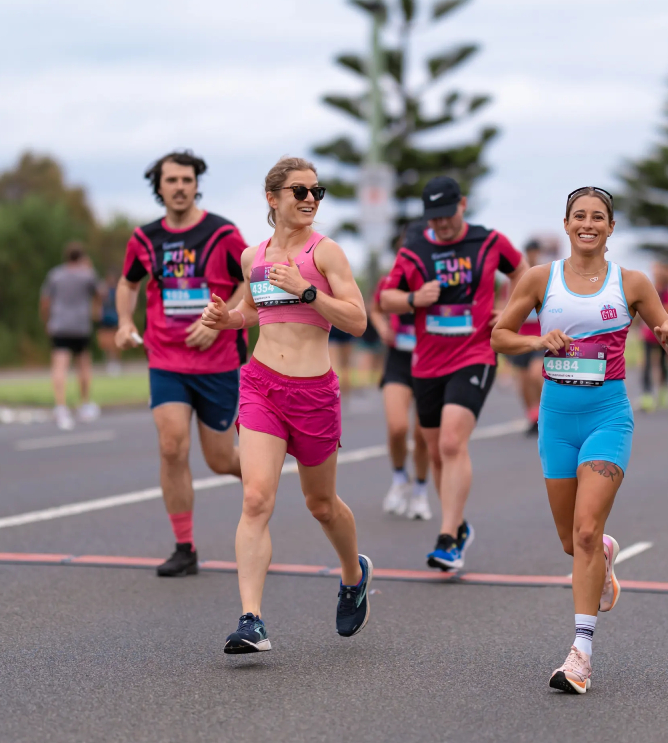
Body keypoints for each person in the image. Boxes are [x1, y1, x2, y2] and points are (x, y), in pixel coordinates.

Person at [492, 185, 668, 695]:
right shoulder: (542, 279)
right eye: (579, 215)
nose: (588, 223)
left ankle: (580, 654)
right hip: (556, 419)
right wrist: (538, 339)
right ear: (566, 224)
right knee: (571, 540)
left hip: (608, 415)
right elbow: (499, 335)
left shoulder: (633, 283)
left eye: (598, 216)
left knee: (581, 531)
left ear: (611, 227)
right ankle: (603, 553)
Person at [200, 156, 372, 654]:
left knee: (320, 504)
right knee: (256, 498)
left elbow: (358, 321)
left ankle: (351, 573)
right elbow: (254, 312)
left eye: (317, 192)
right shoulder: (253, 257)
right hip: (261, 386)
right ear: (272, 198)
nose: (310, 201)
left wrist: (309, 290)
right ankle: (251, 619)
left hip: (314, 393)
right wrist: (226, 318)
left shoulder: (327, 254)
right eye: (300, 192)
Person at [379, 176, 528, 571]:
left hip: (475, 353)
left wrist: (511, 310)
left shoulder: (490, 241)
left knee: (450, 442)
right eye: (434, 218)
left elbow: (522, 272)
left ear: (462, 205)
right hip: (427, 363)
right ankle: (458, 526)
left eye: (447, 215)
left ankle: (447, 540)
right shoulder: (414, 250)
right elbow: (385, 298)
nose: (441, 225)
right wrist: (414, 298)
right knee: (436, 453)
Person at [115, 150, 247, 577]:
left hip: (219, 362)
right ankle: (184, 547)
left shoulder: (223, 233)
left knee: (222, 461)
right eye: (171, 180)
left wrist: (221, 321)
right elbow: (127, 282)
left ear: (196, 184)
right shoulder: (144, 238)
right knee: (172, 445)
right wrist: (122, 321)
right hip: (167, 359)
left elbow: (252, 279)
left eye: (186, 180)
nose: (179, 187)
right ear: (160, 187)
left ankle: (264, 474)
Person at [373, 244, 433, 520]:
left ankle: (420, 490)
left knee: (422, 435)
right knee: (397, 427)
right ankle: (399, 480)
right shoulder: (390, 282)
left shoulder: (437, 281)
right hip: (398, 361)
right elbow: (374, 308)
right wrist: (383, 326)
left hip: (430, 361)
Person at [40, 242, 105, 431]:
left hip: (59, 325)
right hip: (80, 326)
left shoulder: (55, 274)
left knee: (60, 366)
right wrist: (96, 309)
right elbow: (101, 292)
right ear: (82, 256)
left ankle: (61, 406)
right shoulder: (87, 274)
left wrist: (47, 321)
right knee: (83, 366)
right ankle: (85, 404)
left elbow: (45, 301)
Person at [507, 239, 549, 435]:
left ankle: (546, 413)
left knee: (535, 374)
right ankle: (533, 417)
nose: (532, 255)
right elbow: (507, 305)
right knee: (523, 381)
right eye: (529, 251)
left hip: (540, 335)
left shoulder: (545, 276)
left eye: (535, 251)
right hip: (521, 335)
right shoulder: (517, 279)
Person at [639, 261, 668, 411]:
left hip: (663, 334)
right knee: (647, 365)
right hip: (648, 334)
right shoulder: (650, 289)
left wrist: (655, 310)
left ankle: (664, 390)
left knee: (663, 363)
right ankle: (647, 395)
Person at [97, 270, 122, 376]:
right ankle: (109, 362)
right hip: (105, 320)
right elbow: (97, 302)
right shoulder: (103, 291)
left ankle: (115, 363)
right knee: (105, 343)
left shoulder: (118, 291)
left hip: (115, 319)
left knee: (115, 343)